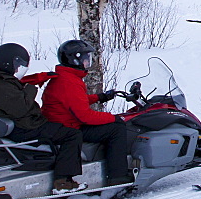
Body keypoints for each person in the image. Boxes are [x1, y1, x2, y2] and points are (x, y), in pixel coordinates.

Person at [0, 42, 87, 194]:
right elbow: (21, 108)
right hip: (25, 128)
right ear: (7, 62)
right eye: (18, 64)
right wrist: (33, 87)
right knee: (72, 134)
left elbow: (7, 98)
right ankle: (63, 182)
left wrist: (29, 82)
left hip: (13, 128)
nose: (18, 69)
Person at [41, 40, 133, 186]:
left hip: (62, 123)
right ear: (75, 59)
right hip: (69, 126)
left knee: (112, 123)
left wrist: (99, 97)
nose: (87, 62)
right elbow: (84, 116)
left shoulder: (66, 77)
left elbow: (75, 101)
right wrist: (113, 117)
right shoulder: (69, 82)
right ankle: (118, 175)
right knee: (117, 128)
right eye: (85, 58)